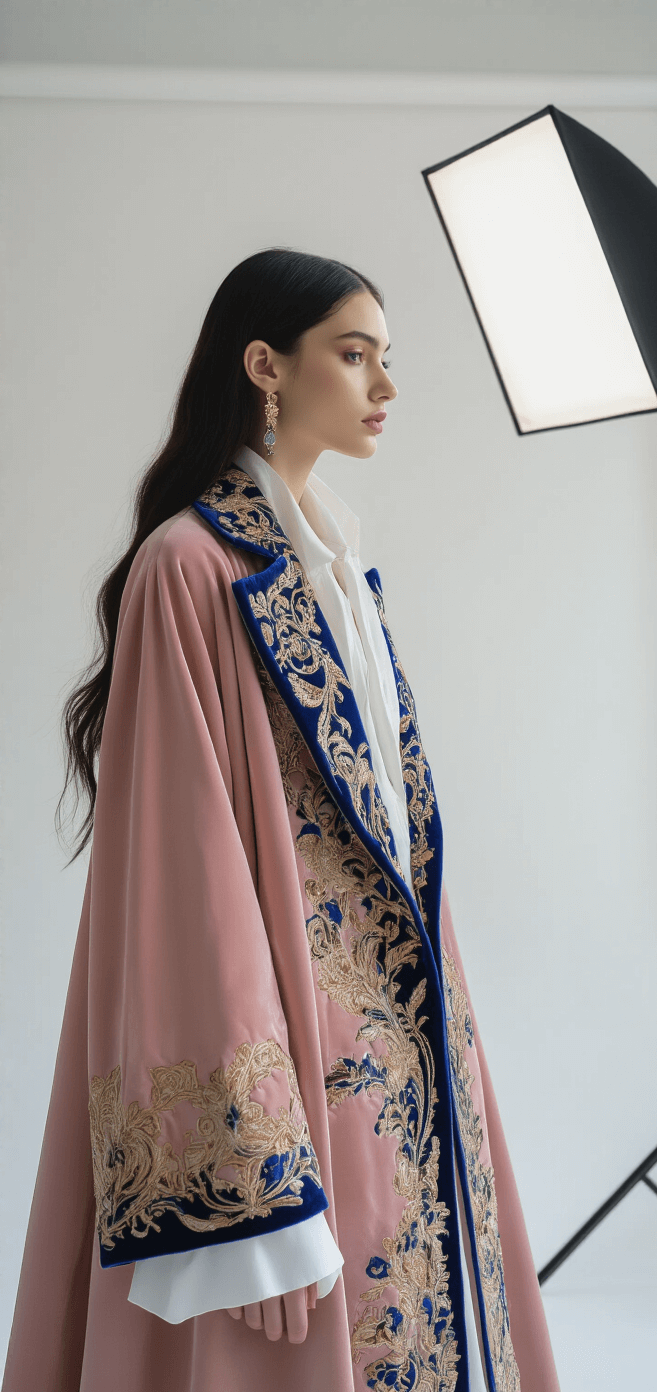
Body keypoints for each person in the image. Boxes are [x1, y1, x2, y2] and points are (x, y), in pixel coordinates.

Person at [1, 248, 560, 1392]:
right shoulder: (192, 568)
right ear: (266, 365)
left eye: (387, 361)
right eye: (355, 356)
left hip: (396, 1054)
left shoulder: (341, 573)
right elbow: (181, 883)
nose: (384, 389)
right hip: (287, 1071)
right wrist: (254, 1189)